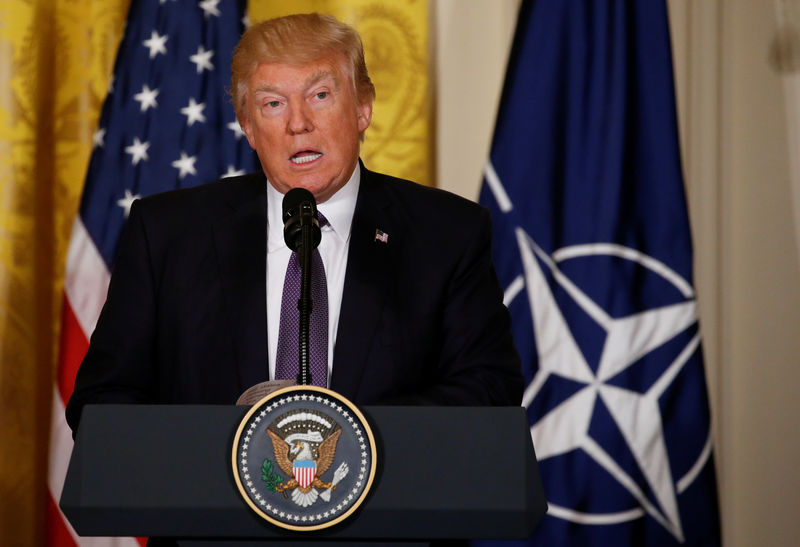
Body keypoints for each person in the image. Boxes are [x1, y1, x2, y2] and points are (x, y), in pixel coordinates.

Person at [65, 13, 522, 433]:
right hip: (214, 519)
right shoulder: (167, 233)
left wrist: (350, 436)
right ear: (247, 125)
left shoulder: (446, 233)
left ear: (362, 108)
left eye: (320, 95)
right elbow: (101, 401)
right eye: (272, 104)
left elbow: (490, 391)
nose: (298, 124)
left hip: (387, 517)